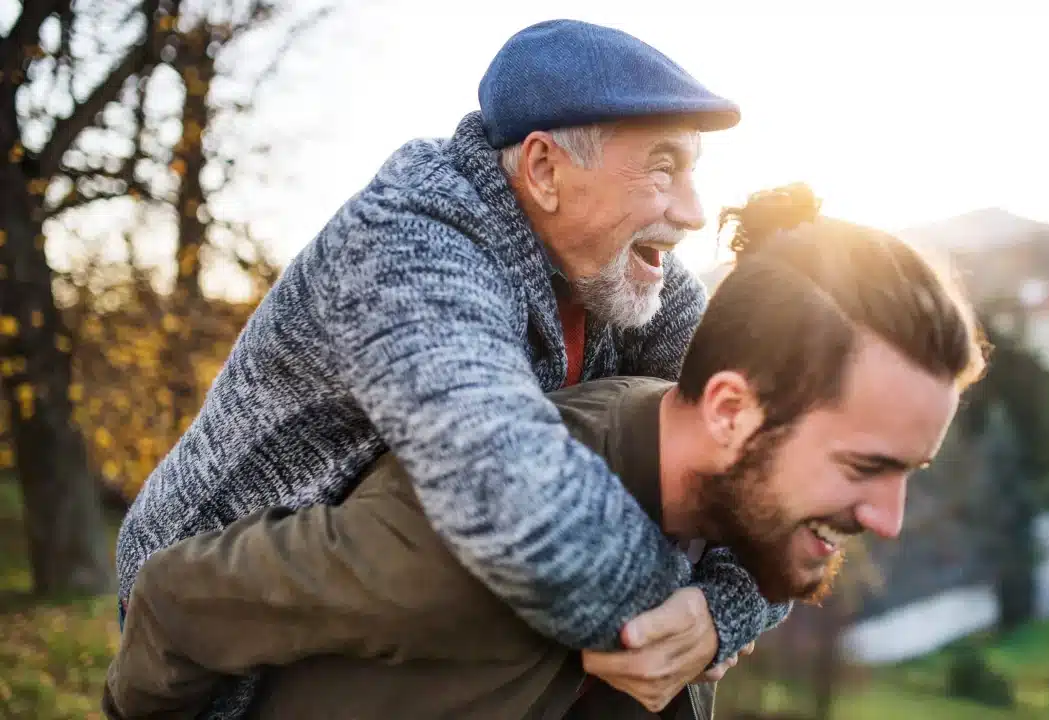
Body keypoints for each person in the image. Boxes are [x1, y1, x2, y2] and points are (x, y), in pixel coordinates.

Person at [104, 183, 988, 719]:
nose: (891, 519)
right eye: (866, 467)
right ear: (728, 413)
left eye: (908, 470)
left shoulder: (726, 499)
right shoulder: (468, 540)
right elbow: (178, 602)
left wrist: (724, 613)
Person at [113, 18, 782, 717]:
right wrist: (677, 618)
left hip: (420, 593)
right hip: (227, 621)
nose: (695, 212)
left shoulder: (640, 275)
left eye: (693, 171)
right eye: (663, 168)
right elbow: (511, 497)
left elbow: (779, 459)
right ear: (546, 169)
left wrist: (719, 613)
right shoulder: (410, 240)